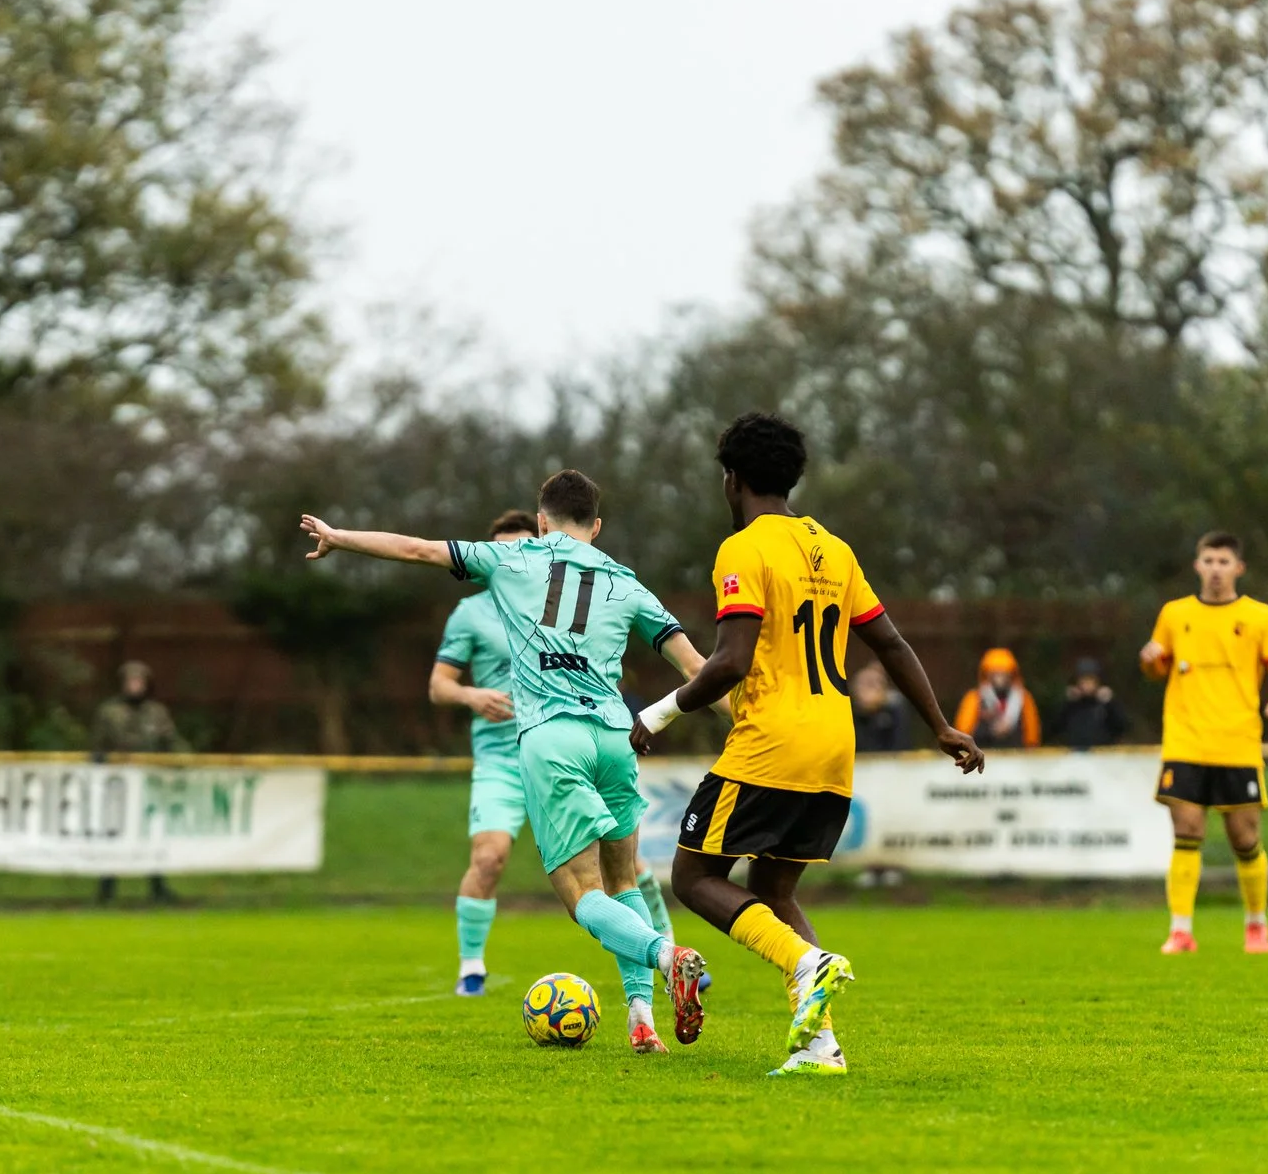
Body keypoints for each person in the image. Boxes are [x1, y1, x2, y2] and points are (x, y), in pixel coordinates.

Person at [301, 470, 711, 1054]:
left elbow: (417, 549)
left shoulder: (512, 558)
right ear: (596, 526)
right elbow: (698, 669)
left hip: (553, 739)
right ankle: (641, 1019)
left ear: (540, 521)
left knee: (581, 892)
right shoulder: (628, 584)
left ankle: (668, 956)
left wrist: (340, 537)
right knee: (625, 880)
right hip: (618, 738)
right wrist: (752, 710)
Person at [632, 412, 984, 1077]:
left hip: (773, 742)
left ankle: (806, 961)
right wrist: (938, 723)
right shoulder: (834, 548)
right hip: (833, 746)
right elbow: (890, 642)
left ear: (731, 480)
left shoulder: (744, 548)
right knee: (773, 887)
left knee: (694, 877)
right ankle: (823, 1047)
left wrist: (660, 712)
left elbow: (732, 660)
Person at [432, 509, 677, 997]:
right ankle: (471, 969)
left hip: (561, 745)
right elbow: (438, 685)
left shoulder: (574, 596)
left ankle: (667, 951)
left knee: (629, 868)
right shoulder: (472, 612)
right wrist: (470, 696)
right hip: (503, 760)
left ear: (543, 535)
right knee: (490, 858)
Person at [1139, 534, 1268, 955]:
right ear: (1197, 565)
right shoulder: (1175, 614)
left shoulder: (1261, 616)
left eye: (1223, 561)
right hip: (1185, 740)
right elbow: (1158, 668)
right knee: (1186, 831)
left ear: (1238, 568)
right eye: (1208, 560)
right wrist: (1150, 658)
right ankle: (1181, 930)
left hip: (1237, 742)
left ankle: (1256, 923)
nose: (1215, 568)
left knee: (1244, 838)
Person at [90, 660, 186, 904]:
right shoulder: (109, 712)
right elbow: (98, 746)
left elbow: (171, 741)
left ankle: (157, 887)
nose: (135, 686)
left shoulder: (156, 713)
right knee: (113, 836)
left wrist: (184, 759)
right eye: (130, 681)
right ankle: (107, 889)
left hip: (149, 784)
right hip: (117, 786)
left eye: (139, 681)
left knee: (152, 834)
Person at [953, 648, 1040, 748]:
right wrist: (991, 731)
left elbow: (1032, 735)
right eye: (995, 673)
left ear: (1011, 674)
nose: (1000, 678)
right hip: (982, 754)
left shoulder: (1023, 699)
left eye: (1004, 673)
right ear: (987, 674)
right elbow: (963, 732)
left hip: (1016, 756)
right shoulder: (974, 698)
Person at [1055, 657, 1128, 752]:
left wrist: (1110, 703)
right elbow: (1056, 728)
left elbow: (1121, 727)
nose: (1087, 685)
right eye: (1083, 680)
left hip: (1101, 756)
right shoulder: (1072, 705)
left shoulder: (1105, 704)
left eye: (1090, 680)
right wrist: (1067, 703)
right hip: (1075, 756)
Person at [849, 661, 909, 753]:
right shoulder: (848, 713)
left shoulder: (894, 711)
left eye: (872, 685)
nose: (866, 691)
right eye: (862, 684)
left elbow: (901, 745)